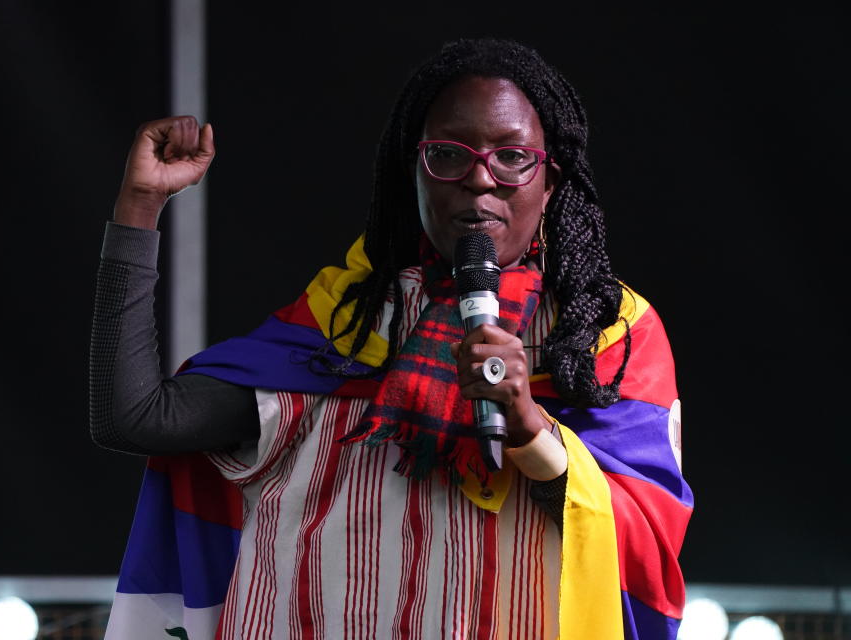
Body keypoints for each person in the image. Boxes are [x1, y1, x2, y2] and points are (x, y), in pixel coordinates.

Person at [90, 38, 692, 640]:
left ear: (551, 181)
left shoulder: (605, 336)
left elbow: (644, 541)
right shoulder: (344, 322)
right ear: (414, 174)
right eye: (448, 156)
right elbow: (136, 419)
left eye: (512, 157)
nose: (481, 180)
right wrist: (139, 207)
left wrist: (530, 427)